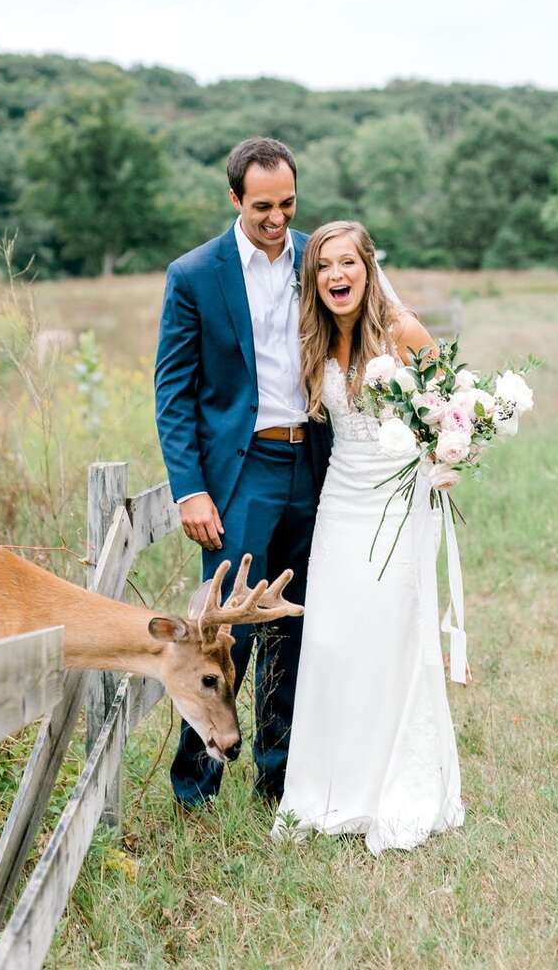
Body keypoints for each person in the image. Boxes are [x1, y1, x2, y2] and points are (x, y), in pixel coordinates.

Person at [274, 220, 465, 853]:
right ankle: (328, 786)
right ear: (314, 278)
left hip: (399, 505)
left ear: (367, 267)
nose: (336, 275)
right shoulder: (314, 339)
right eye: (324, 265)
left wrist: (448, 456)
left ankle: (389, 785)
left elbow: (451, 404)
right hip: (341, 503)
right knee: (331, 640)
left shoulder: (402, 331)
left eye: (348, 263)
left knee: (389, 638)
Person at [154, 137, 332, 809]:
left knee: (296, 627)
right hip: (242, 472)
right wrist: (189, 486)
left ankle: (279, 785)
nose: (277, 218)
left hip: (315, 465)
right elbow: (173, 392)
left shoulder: (320, 255)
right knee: (225, 637)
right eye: (263, 206)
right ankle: (195, 791)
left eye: (288, 203)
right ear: (235, 198)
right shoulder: (195, 273)